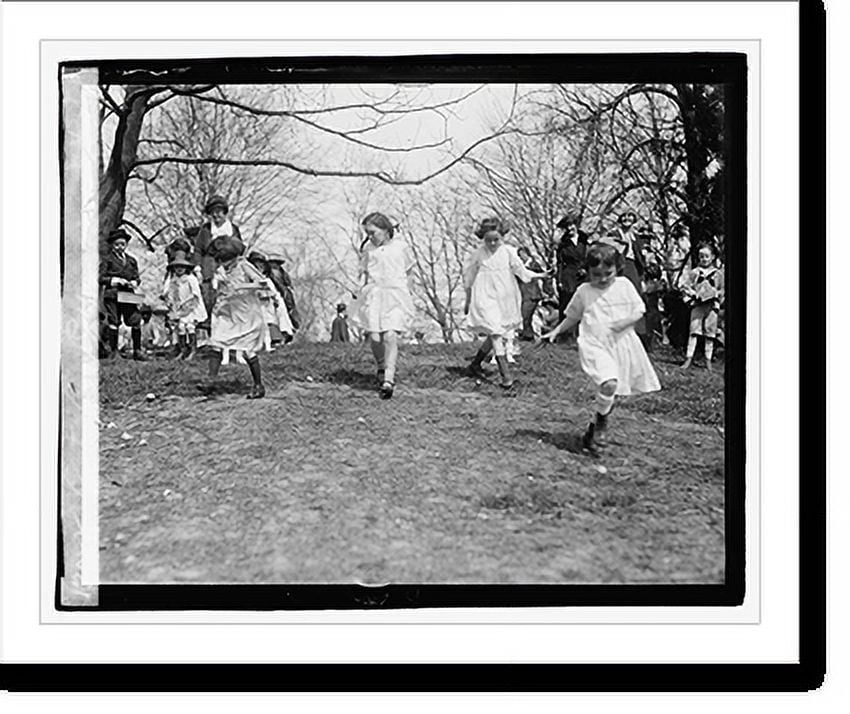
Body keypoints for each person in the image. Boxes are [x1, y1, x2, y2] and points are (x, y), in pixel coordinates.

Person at [543, 242, 660, 454]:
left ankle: (594, 426)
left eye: (608, 273)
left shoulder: (624, 285)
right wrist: (556, 331)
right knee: (609, 383)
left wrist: (625, 322)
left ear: (617, 269)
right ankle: (602, 423)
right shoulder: (584, 291)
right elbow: (573, 316)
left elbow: (639, 310)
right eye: (596, 274)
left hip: (621, 344)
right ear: (588, 271)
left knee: (610, 390)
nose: (603, 279)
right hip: (594, 344)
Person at [464, 217, 550, 389]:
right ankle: (506, 376)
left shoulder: (508, 251)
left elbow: (521, 271)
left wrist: (540, 275)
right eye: (488, 240)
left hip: (504, 297)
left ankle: (475, 364)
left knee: (496, 331)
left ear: (502, 237)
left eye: (496, 239)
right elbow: (469, 277)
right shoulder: (478, 254)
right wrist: (468, 299)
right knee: (496, 333)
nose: (492, 243)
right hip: (485, 297)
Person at [349, 212, 415, 399]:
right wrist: (359, 289)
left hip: (395, 295)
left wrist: (409, 291)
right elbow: (364, 273)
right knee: (376, 337)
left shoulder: (401, 247)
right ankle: (381, 365)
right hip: (375, 294)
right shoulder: (369, 249)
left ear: (386, 230)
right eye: (368, 233)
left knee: (390, 335)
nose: (370, 237)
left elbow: (409, 271)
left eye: (373, 232)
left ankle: (388, 378)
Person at [203, 237, 268, 399]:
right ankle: (211, 380)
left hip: (246, 313)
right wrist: (218, 285)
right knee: (216, 342)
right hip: (227, 312)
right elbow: (219, 286)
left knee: (247, 350)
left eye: (226, 260)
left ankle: (258, 385)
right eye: (220, 261)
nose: (223, 264)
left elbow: (262, 283)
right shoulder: (221, 270)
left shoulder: (244, 265)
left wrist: (242, 286)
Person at [192, 195, 244, 336]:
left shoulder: (233, 229)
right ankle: (211, 332)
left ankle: (233, 333)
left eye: (219, 212)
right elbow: (198, 250)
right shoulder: (205, 230)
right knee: (209, 297)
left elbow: (239, 249)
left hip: (229, 266)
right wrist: (198, 268)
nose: (216, 215)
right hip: (209, 265)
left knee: (231, 296)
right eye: (213, 212)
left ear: (225, 213)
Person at [99, 228, 146, 360]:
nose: (120, 247)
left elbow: (136, 277)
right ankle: (114, 352)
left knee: (135, 319)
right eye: (117, 244)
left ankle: (137, 350)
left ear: (126, 245)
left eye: (122, 244)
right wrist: (114, 280)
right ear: (112, 245)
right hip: (112, 294)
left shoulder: (132, 260)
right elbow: (100, 278)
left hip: (128, 294)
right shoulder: (107, 260)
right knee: (114, 321)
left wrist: (135, 282)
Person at [681, 242, 724, 371]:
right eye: (701, 257)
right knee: (694, 330)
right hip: (698, 305)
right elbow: (686, 287)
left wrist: (716, 294)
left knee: (710, 333)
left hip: (711, 306)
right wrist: (693, 294)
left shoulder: (718, 274)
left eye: (706, 256)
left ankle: (708, 359)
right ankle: (689, 357)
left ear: (713, 257)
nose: (704, 259)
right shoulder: (694, 273)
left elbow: (722, 290)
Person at [611, 210, 648, 344]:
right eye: (624, 216)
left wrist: (642, 277)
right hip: (619, 268)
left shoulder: (636, 237)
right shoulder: (614, 234)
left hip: (633, 269)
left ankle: (637, 334)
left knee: (634, 299)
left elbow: (642, 258)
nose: (627, 219)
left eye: (630, 217)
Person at [163, 250, 207, 360]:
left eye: (182, 267)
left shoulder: (191, 279)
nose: (179, 269)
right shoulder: (173, 280)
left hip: (191, 307)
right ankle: (183, 349)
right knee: (181, 327)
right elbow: (171, 294)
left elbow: (196, 295)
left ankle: (193, 349)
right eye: (177, 267)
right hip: (179, 307)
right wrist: (171, 303)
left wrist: (188, 304)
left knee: (190, 326)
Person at [554, 214, 589, 340]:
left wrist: (586, 268)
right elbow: (559, 264)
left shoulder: (585, 240)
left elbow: (591, 256)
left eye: (571, 225)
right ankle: (565, 336)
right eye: (566, 227)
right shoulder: (562, 245)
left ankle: (583, 335)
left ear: (576, 225)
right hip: (568, 277)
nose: (569, 228)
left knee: (585, 305)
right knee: (567, 305)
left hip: (585, 277)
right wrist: (559, 281)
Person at [266, 253, 300, 341]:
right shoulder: (268, 274)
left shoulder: (283, 274)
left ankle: (287, 333)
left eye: (276, 263)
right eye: (272, 262)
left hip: (285, 296)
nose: (274, 265)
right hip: (274, 297)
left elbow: (288, 285)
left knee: (288, 315)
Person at [517, 246, 545, 341]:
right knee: (525, 315)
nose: (521, 257)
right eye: (519, 255)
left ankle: (528, 335)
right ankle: (527, 333)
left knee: (526, 315)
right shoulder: (521, 266)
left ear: (526, 253)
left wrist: (547, 291)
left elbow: (543, 276)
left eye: (521, 255)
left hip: (532, 294)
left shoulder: (533, 265)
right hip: (524, 294)